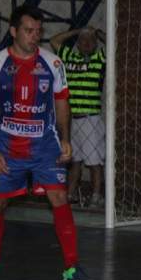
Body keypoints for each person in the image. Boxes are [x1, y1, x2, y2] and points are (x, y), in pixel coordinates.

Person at [0, 5, 92, 280]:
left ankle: (72, 267)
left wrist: (66, 138)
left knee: (59, 197)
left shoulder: (53, 64)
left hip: (44, 145)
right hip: (7, 147)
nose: (34, 36)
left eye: (38, 31)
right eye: (28, 31)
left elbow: (62, 103)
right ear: (13, 31)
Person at [49, 25, 106, 208]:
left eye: (90, 40)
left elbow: (116, 46)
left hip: (91, 119)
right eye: (83, 40)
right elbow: (54, 41)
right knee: (74, 160)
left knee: (94, 161)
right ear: (78, 44)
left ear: (95, 43)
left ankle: (97, 195)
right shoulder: (70, 57)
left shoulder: (99, 58)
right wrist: (77, 31)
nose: (86, 43)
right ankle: (71, 193)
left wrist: (97, 32)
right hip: (72, 120)